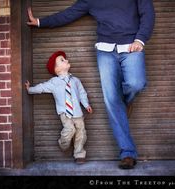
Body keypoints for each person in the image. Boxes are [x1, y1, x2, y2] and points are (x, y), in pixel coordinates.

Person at [27, 0, 155, 169]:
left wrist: (140, 39)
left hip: (132, 45)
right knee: (111, 101)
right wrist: (40, 22)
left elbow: (148, 14)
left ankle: (126, 100)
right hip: (105, 51)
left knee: (136, 83)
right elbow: (68, 14)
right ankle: (127, 153)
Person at [25, 51, 93, 164]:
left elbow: (82, 93)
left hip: (77, 112)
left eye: (65, 59)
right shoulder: (54, 82)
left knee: (81, 132)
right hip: (65, 113)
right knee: (70, 130)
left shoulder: (76, 80)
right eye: (62, 60)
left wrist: (86, 105)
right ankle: (63, 143)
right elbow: (42, 87)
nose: (66, 60)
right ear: (56, 69)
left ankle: (79, 154)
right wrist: (30, 89)